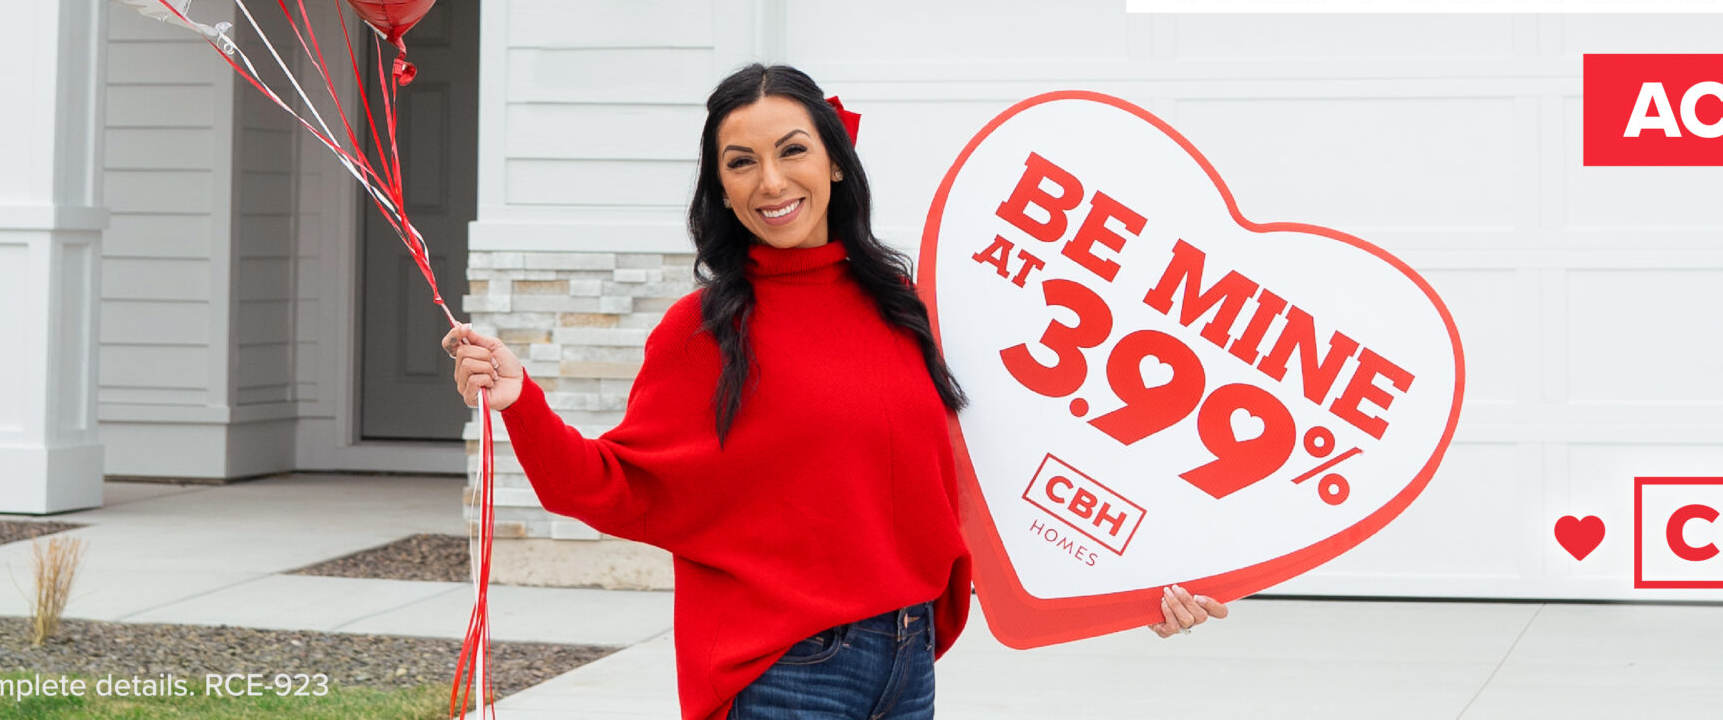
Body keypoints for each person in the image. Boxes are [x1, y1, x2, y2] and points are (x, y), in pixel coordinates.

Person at [443, 63, 1226, 720]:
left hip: (909, 661)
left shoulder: (907, 306)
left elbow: (999, 476)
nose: (771, 181)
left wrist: (1133, 591)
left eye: (793, 151)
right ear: (720, 185)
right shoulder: (706, 329)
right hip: (786, 672)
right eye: (740, 161)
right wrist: (521, 398)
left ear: (837, 161)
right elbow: (614, 486)